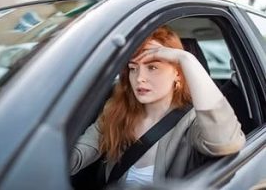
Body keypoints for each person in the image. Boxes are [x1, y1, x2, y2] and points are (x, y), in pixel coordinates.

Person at [70, 26, 246, 186]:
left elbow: (226, 143)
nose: (139, 78)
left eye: (152, 67)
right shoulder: (116, 111)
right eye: (133, 68)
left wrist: (185, 57)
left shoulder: (192, 121)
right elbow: (76, 156)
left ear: (177, 73)